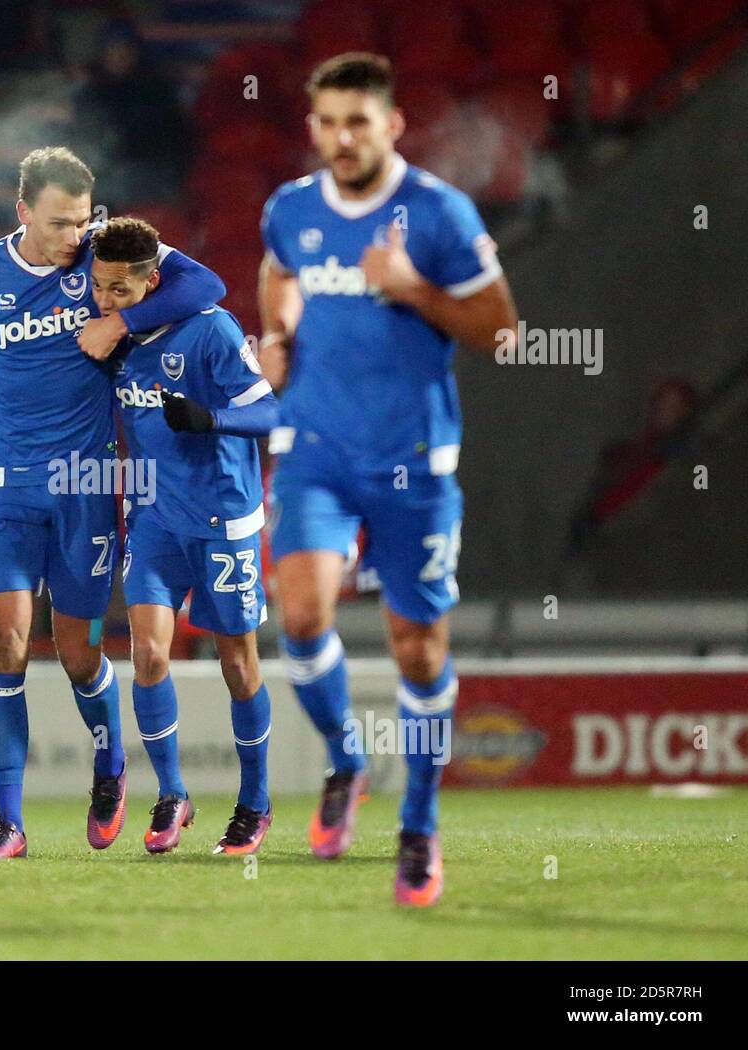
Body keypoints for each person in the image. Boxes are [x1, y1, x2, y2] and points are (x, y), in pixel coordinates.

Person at [0, 147, 225, 859]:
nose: (73, 237)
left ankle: (109, 769)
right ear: (22, 213)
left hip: (85, 489)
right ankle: (8, 824)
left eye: (81, 220)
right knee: (7, 641)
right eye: (57, 224)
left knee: (78, 652)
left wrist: (123, 322)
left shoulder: (100, 259)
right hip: (6, 489)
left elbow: (208, 286)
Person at [257, 53, 518, 906]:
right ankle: (344, 762)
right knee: (299, 616)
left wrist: (413, 291)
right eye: (328, 122)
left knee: (418, 647)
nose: (342, 137)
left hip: (413, 462)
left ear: (391, 124)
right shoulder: (290, 210)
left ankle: (420, 824)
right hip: (316, 454)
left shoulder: (437, 213)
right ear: (313, 128)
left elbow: (503, 332)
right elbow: (278, 270)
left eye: (358, 122)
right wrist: (278, 331)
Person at [92, 216, 279, 855]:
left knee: (237, 661)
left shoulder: (212, 331)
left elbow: (270, 410)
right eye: (99, 288)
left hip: (224, 517)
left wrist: (211, 417)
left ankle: (255, 800)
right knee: (147, 654)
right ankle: (172, 794)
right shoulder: (113, 343)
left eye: (121, 290)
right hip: (154, 520)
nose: (106, 303)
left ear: (153, 281)